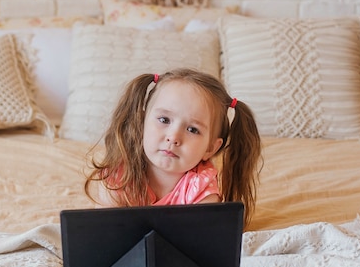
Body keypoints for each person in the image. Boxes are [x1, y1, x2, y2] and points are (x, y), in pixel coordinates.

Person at [84, 68, 262, 226]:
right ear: (142, 122)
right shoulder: (118, 177)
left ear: (210, 148)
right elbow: (105, 233)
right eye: (164, 120)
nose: (174, 137)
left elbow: (201, 243)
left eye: (192, 129)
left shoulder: (201, 187)